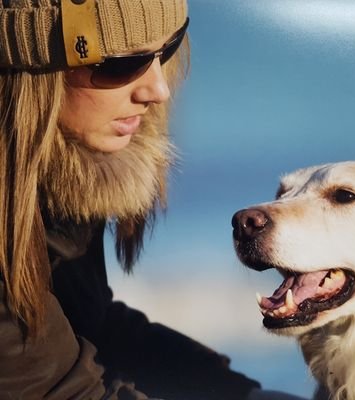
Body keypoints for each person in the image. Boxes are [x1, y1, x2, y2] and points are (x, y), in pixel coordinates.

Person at [0, 1, 308, 399]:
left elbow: (91, 329)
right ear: (34, 71)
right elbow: (52, 389)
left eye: (166, 50)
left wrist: (244, 394)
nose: (157, 90)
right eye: (122, 63)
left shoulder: (51, 173)